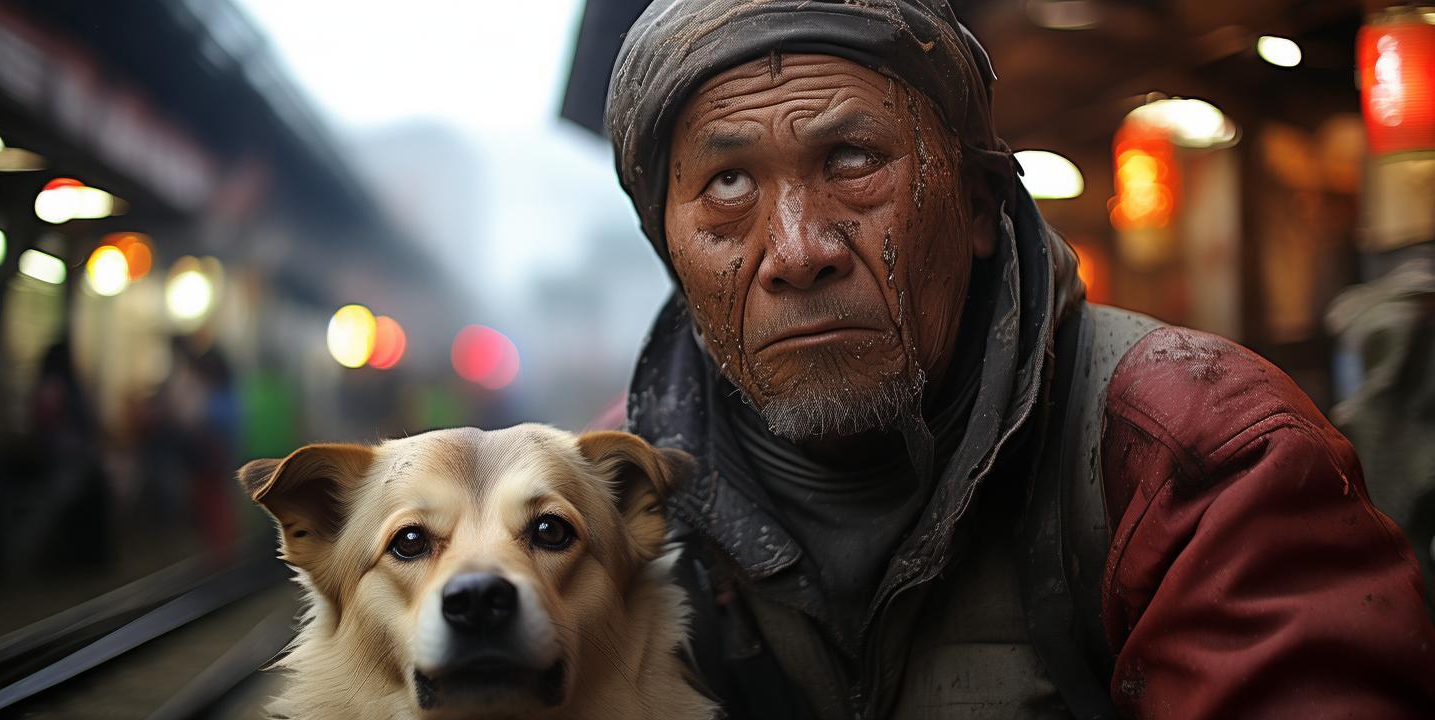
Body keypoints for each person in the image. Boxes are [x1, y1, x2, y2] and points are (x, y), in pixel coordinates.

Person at [604, 1, 1435, 718]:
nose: (797, 249)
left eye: (853, 161)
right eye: (726, 185)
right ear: (670, 249)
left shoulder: (1201, 454)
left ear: (976, 205)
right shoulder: (599, 508)